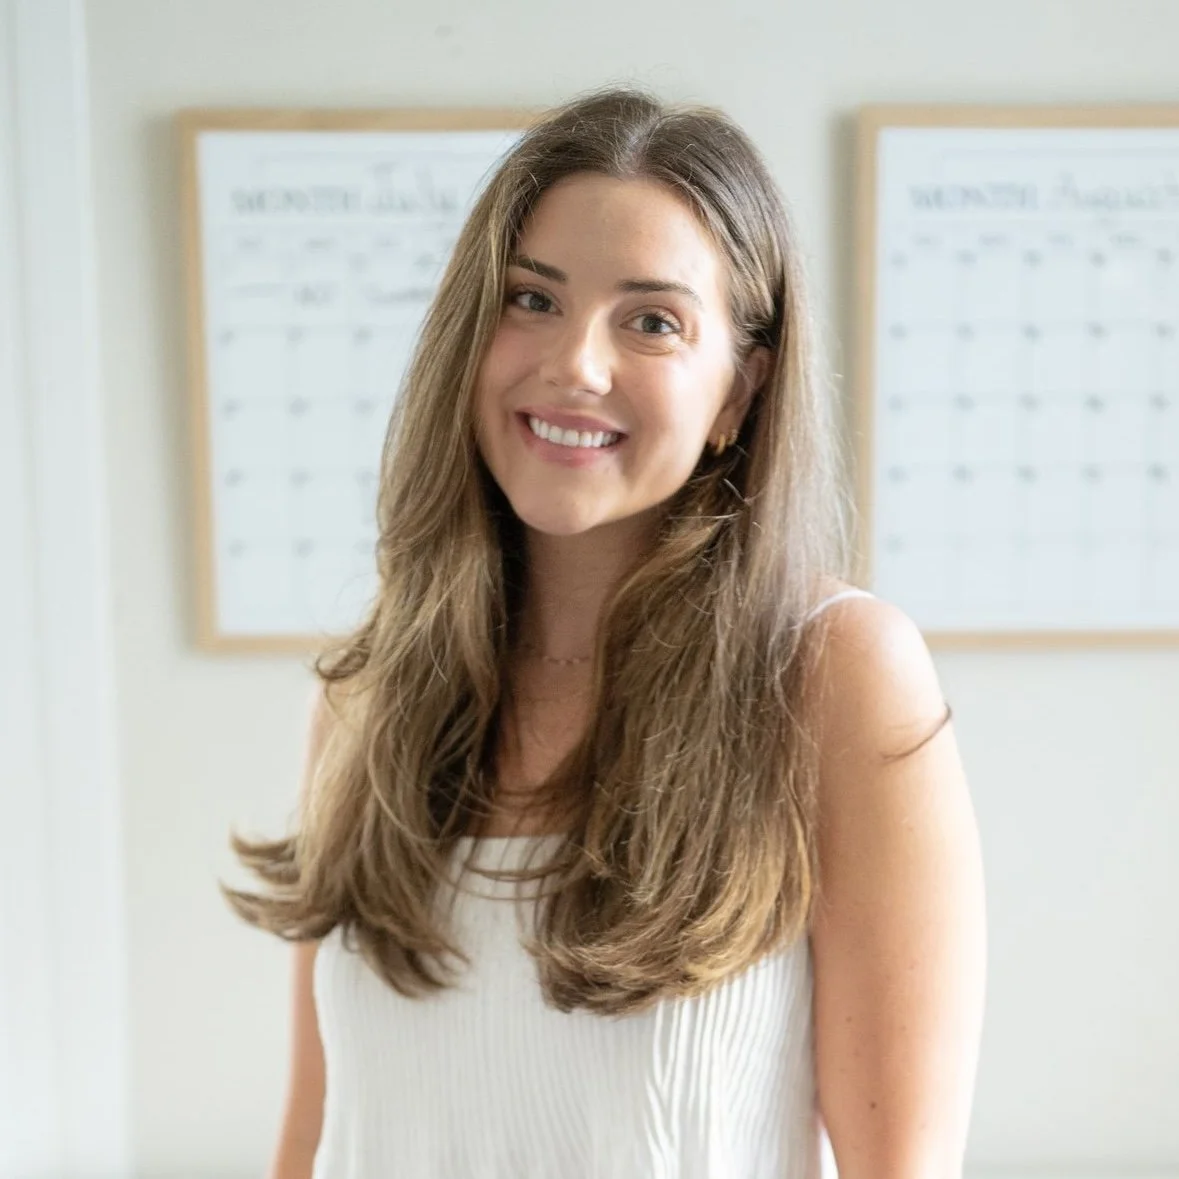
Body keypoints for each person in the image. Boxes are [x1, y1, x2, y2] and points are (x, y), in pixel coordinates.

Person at [222, 85, 986, 1179]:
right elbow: (316, 1136)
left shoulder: (834, 672)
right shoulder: (367, 694)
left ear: (741, 390)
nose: (576, 363)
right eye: (532, 300)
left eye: (653, 321)